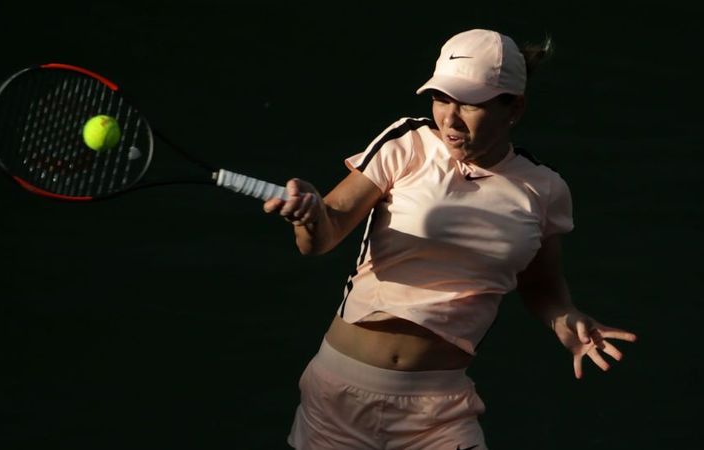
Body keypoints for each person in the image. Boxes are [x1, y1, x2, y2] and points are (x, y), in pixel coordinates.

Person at [263, 28, 638, 450]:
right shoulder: (407, 143)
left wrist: (564, 318)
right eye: (441, 98)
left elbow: (541, 284)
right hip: (338, 400)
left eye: (470, 103)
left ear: (514, 108)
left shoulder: (545, 190)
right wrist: (310, 215)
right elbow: (321, 236)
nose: (450, 118)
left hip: (438, 414)